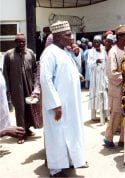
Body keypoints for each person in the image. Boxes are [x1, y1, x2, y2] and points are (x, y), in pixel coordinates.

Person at [40, 21, 87, 177]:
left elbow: (68, 70)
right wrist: (55, 105)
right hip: (58, 106)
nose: (71, 37)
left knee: (71, 132)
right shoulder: (49, 53)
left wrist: (77, 76)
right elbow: (45, 80)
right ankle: (56, 169)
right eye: (68, 35)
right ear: (58, 36)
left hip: (70, 104)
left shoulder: (64, 51)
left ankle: (72, 160)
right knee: (57, 136)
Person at [3, 33, 38, 144]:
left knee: (29, 108)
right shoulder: (9, 55)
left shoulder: (30, 53)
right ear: (15, 42)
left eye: (23, 41)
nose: (21, 43)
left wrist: (36, 86)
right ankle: (20, 134)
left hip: (29, 86)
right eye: (19, 41)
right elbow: (5, 73)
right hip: (16, 87)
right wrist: (8, 89)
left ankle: (27, 129)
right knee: (20, 110)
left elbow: (35, 70)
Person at [103, 24, 125, 148]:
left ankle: (123, 140)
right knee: (116, 113)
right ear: (121, 37)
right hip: (117, 89)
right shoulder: (113, 52)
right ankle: (108, 138)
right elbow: (111, 73)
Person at [87, 35, 109, 124]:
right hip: (94, 78)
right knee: (93, 94)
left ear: (100, 43)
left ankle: (106, 115)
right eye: (94, 42)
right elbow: (88, 64)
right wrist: (95, 62)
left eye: (98, 42)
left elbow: (107, 63)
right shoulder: (90, 52)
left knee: (104, 95)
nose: (96, 43)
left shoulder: (104, 52)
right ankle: (93, 116)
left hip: (103, 77)